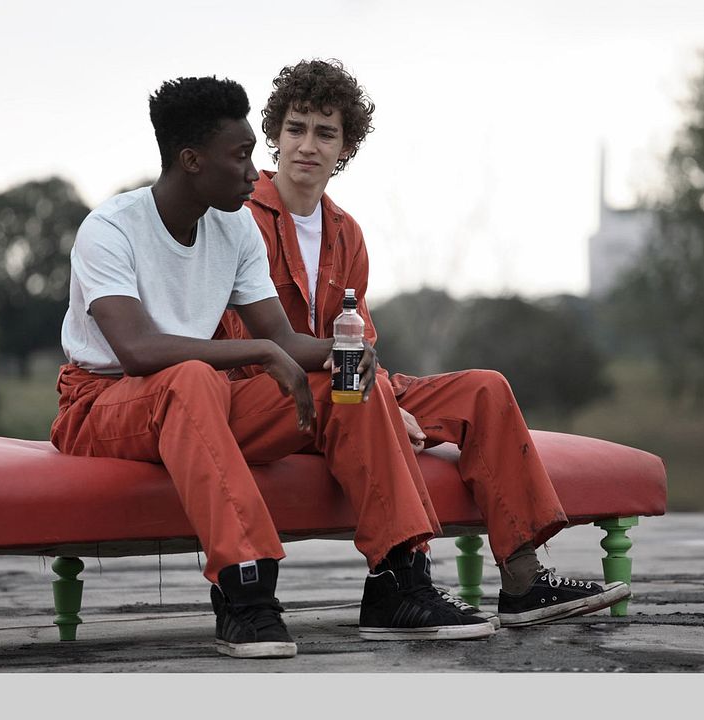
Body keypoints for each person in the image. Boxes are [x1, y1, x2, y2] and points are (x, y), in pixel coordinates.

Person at [50, 75, 498, 660]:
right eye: (240, 157)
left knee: (346, 381)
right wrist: (260, 354)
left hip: (199, 401)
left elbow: (282, 338)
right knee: (191, 377)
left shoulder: (233, 224)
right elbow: (137, 351)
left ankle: (398, 580)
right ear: (192, 160)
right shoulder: (110, 228)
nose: (252, 173)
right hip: (102, 405)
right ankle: (246, 593)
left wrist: (348, 353)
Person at [216, 58, 631, 629]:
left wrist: (387, 396)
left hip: (350, 391)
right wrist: (380, 403)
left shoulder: (346, 232)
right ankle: (396, 585)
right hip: (270, 399)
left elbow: (361, 341)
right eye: (295, 128)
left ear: (345, 148)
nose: (307, 145)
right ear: (275, 135)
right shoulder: (241, 217)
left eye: (325, 133)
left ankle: (523, 580)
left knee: (484, 389)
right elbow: (245, 343)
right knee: (357, 390)